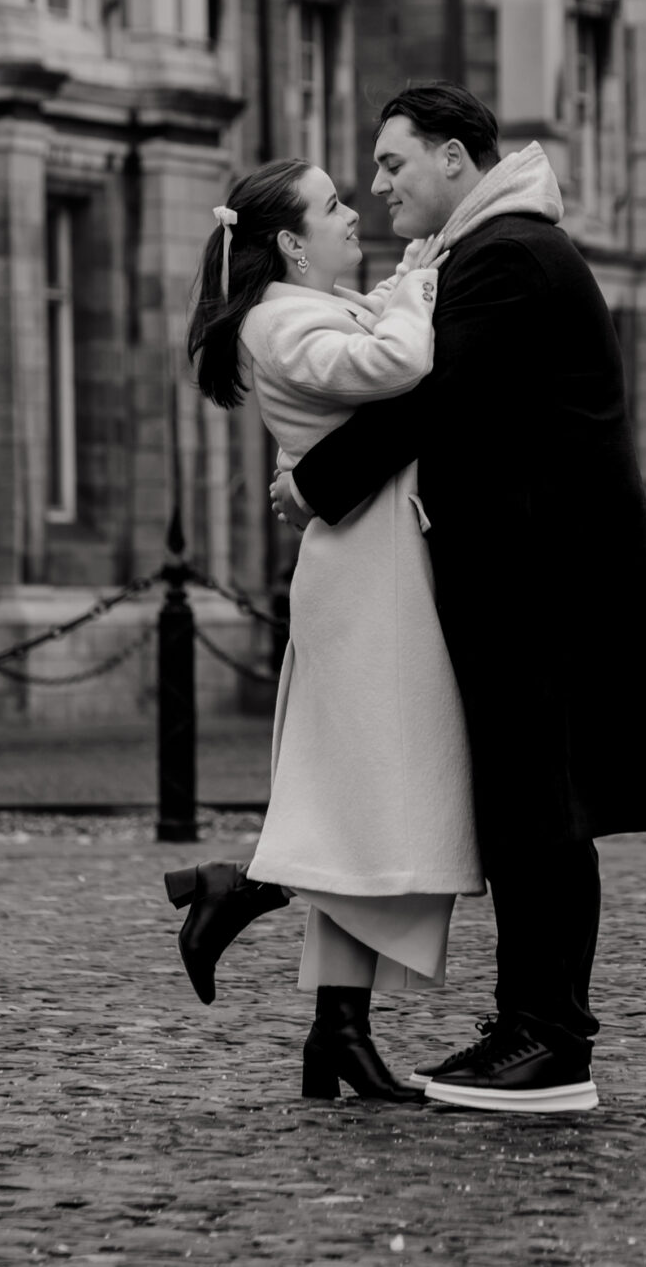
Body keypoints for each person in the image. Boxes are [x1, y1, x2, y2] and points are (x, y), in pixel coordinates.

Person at [271, 81, 646, 1114]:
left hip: (544, 580)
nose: (376, 186)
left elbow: (434, 397)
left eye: (392, 162)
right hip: (528, 574)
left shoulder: (505, 256)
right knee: (525, 806)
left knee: (541, 809)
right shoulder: (489, 250)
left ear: (455, 158)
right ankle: (525, 1024)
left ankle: (550, 1041)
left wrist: (310, 485)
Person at [166, 156, 483, 1105]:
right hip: (366, 581)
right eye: (334, 203)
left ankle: (335, 1031)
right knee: (375, 810)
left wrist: (410, 274)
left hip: (380, 563)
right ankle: (242, 890)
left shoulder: (311, 307)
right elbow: (398, 361)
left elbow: (375, 323)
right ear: (292, 243)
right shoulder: (280, 319)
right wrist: (421, 283)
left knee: (374, 811)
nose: (355, 213)